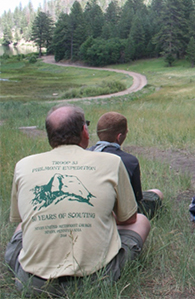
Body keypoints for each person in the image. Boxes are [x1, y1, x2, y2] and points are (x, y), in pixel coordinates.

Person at [5, 105, 150, 296]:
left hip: (32, 283)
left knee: (24, 224)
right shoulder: (111, 162)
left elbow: (22, 219)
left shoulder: (23, 166)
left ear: (49, 135)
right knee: (141, 221)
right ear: (84, 131)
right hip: (97, 280)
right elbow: (128, 219)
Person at [88, 112, 163, 219]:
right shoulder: (130, 161)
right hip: (117, 213)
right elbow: (136, 198)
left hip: (90, 207)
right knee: (157, 193)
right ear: (119, 137)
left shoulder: (85, 154)